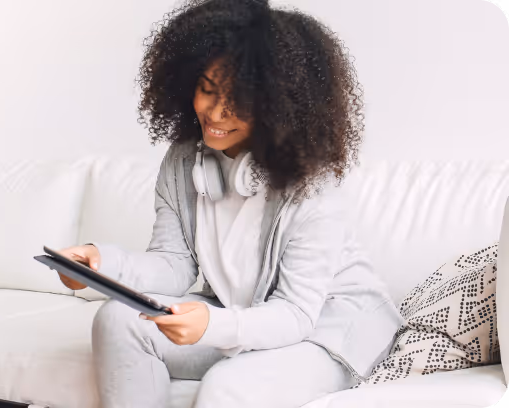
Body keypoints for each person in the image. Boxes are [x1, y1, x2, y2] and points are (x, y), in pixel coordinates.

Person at [56, 0, 404, 407]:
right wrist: (100, 266)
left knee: (228, 385)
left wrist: (214, 324)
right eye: (207, 89)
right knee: (118, 319)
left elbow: (294, 313)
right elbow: (173, 264)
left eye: (239, 100)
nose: (215, 112)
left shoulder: (312, 185)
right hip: (244, 312)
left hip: (328, 329)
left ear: (278, 104)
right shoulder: (184, 162)